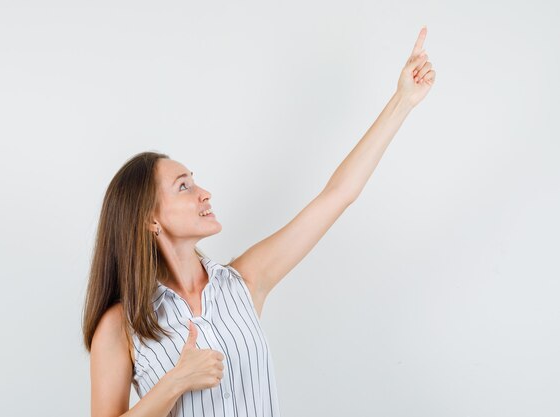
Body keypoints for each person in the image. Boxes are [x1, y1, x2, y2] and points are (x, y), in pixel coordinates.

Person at [82, 25, 435, 417]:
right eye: (183, 186)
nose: (204, 193)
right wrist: (175, 382)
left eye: (195, 182)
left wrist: (402, 101)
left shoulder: (244, 283)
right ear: (150, 219)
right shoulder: (119, 326)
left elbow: (337, 196)